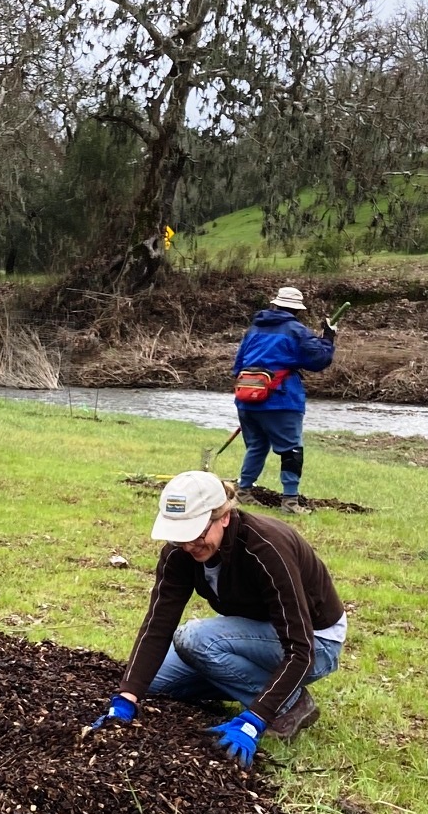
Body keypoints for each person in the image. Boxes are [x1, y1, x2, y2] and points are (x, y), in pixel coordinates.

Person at [89, 470, 344, 769]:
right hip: (257, 635)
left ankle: (289, 704)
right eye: (179, 535)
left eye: (196, 533)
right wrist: (126, 697)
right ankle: (258, 688)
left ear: (223, 516)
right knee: (153, 681)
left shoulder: (266, 548)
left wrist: (255, 720)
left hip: (316, 643)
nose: (188, 545)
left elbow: (300, 648)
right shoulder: (179, 553)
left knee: (195, 639)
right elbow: (158, 624)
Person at [231, 286, 336, 514]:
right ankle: (290, 502)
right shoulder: (296, 331)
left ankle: (244, 491)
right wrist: (329, 336)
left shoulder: (253, 330)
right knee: (292, 450)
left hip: (246, 400)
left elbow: (237, 366)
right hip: (281, 400)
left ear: (275, 305)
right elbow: (319, 359)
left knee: (257, 446)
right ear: (296, 310)